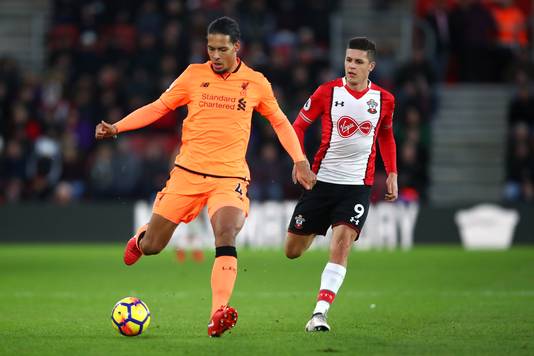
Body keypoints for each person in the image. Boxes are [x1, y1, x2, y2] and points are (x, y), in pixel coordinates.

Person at [95, 16, 316, 337]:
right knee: (156, 246)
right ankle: (142, 238)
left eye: (221, 49)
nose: (214, 55)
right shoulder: (192, 75)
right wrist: (117, 127)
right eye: (210, 48)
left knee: (226, 233)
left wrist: (299, 160)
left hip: (229, 177)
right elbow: (159, 107)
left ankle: (218, 313)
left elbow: (281, 123)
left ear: (237, 48)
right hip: (187, 173)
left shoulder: (256, 82)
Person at [284, 37, 398, 332]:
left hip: (357, 186)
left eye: (359, 62)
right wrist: (301, 161)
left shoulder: (385, 100)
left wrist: (393, 173)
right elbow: (297, 126)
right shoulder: (327, 92)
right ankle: (319, 227)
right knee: (292, 251)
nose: (352, 66)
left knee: (343, 243)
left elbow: (385, 135)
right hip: (321, 183)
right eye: (349, 60)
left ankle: (319, 313)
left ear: (371, 66)